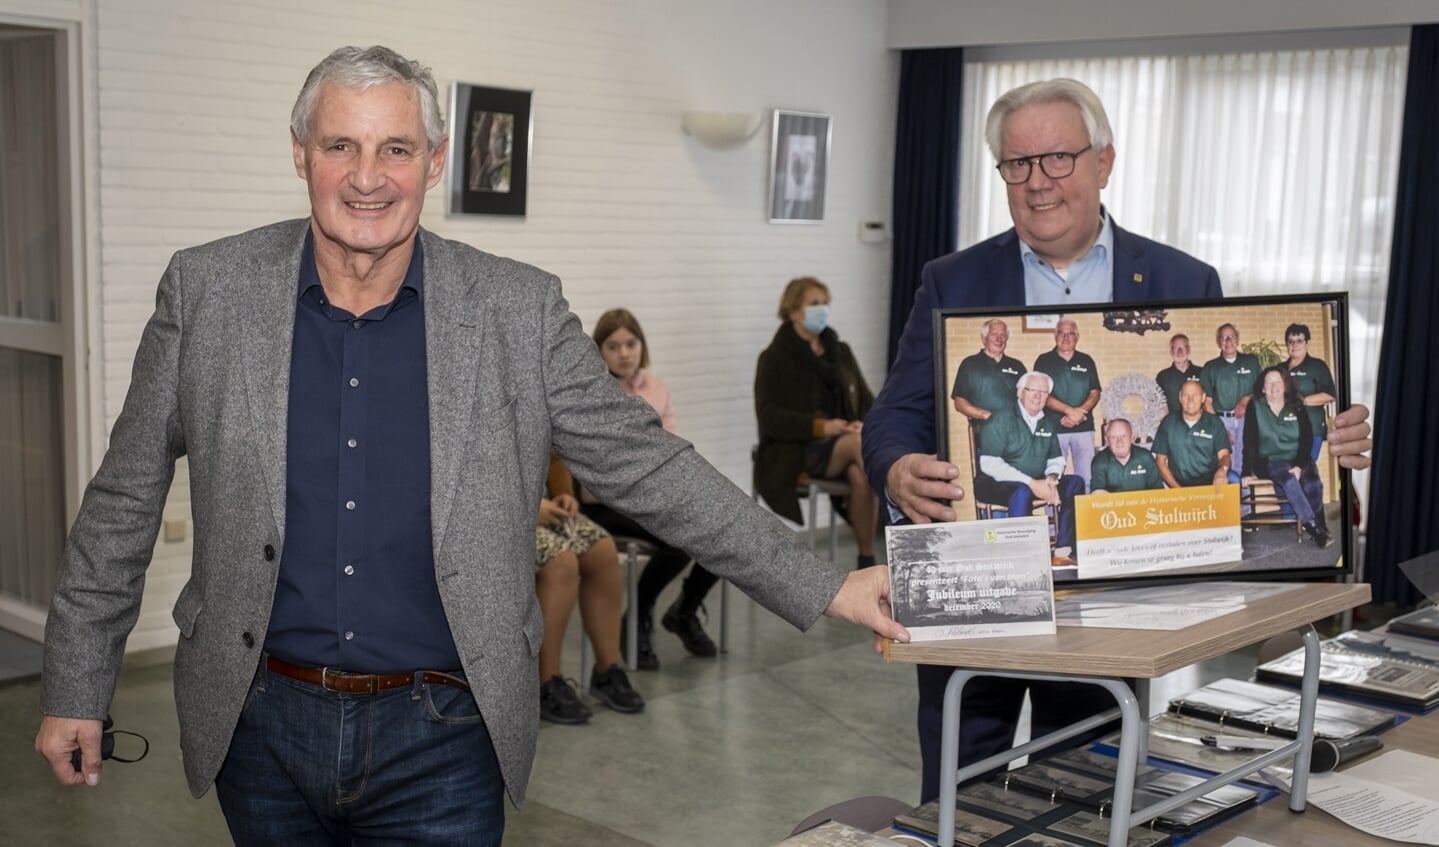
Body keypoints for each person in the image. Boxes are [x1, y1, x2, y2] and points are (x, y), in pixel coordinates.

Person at [34, 45, 907, 844]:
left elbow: (648, 465)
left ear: (436, 162)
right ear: (299, 153)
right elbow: (125, 493)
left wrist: (824, 581)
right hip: (255, 722)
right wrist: (78, 683)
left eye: (396, 149)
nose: (367, 177)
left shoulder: (516, 310)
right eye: (341, 146)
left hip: (443, 732)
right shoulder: (208, 290)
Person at [859, 77, 1372, 804]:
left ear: (1104, 162)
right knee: (958, 783)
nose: (1037, 183)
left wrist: (1329, 435)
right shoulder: (951, 279)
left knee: (1087, 780)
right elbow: (894, 415)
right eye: (1017, 164)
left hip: (1121, 583)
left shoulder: (1181, 278)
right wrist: (896, 465)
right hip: (977, 575)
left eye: (1058, 159)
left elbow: (1241, 406)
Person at [580, 308, 720, 668]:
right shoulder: (590, 393)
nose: (624, 353)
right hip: (603, 502)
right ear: (599, 351)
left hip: (652, 494)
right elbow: (602, 465)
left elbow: (670, 446)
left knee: (718, 528)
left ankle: (684, 612)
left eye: (631, 343)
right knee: (677, 541)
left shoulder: (657, 387)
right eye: (613, 346)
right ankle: (637, 619)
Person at [755, 276, 880, 569]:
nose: (822, 309)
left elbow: (866, 401)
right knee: (859, 447)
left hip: (847, 442)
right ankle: (901, 524)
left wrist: (860, 422)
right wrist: (824, 427)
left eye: (825, 303)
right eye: (814, 304)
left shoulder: (841, 352)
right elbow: (770, 417)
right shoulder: (773, 358)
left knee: (860, 475)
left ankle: (867, 560)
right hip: (796, 450)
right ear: (793, 311)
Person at [534, 454, 644, 724]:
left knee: (603, 549)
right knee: (561, 561)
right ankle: (545, 682)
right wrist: (531, 508)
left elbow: (553, 456)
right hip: (497, 515)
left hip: (544, 506)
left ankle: (608, 669)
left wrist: (563, 493)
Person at [974, 371, 1085, 555]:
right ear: (1020, 392)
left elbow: (1055, 458)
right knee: (1022, 491)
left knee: (1075, 483)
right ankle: (1021, 555)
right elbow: (989, 464)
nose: (1038, 396)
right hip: (993, 483)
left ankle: (1063, 550)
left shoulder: (1047, 423)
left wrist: (1051, 477)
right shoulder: (1000, 419)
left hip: (1036, 481)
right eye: (1032, 390)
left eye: (1043, 392)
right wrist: (1032, 484)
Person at [1242, 366, 1333, 548]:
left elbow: (1306, 438)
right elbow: (1249, 440)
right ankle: (1314, 528)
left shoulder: (1296, 404)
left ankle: (1320, 523)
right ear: (1262, 388)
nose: (1274, 387)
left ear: (1285, 385)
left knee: (1312, 483)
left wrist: (1299, 465)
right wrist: (1246, 471)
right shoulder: (1255, 406)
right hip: (1270, 460)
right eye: (1269, 383)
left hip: (1297, 456)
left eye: (1278, 382)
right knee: (1290, 481)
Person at [1033, 317, 1101, 490]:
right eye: (1061, 333)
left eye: (1070, 333)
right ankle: (1052, 517)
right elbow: (1041, 394)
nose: (1066, 337)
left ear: (1076, 337)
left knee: (1087, 478)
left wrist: (1079, 414)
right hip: (1054, 428)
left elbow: (1095, 392)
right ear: (1055, 336)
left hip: (1084, 428)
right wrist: (1070, 411)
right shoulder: (1043, 360)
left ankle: (1085, 516)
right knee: (1052, 478)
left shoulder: (1086, 360)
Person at [1199, 323, 1261, 467]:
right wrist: (1221, 429)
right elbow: (1207, 402)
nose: (1228, 341)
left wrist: (1246, 400)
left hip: (1246, 419)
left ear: (1237, 339)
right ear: (1218, 343)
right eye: (1223, 338)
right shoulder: (1210, 367)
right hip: (1222, 420)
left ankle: (1244, 490)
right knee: (1224, 461)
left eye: (1231, 337)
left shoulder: (1251, 361)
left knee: (1246, 460)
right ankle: (1227, 490)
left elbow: (1261, 389)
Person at [1153, 381, 1235, 489]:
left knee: (1234, 482)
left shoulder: (1215, 423)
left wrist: (1222, 470)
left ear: (1203, 397)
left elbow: (1224, 455)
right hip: (1176, 487)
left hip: (1211, 486)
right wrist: (1179, 491)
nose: (1190, 400)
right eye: (1186, 395)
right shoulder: (1168, 423)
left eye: (1195, 395)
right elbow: (1160, 462)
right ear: (1180, 398)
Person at [951, 318, 1025, 426]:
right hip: (984, 428)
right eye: (994, 334)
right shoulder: (969, 364)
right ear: (984, 338)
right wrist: (984, 415)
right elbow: (959, 402)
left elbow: (1027, 397)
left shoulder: (1017, 365)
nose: (999, 339)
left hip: (1015, 428)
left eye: (1003, 335)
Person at [1280, 323, 1337, 461]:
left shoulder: (1317, 366)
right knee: (1284, 472)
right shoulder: (1279, 368)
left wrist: (1303, 401)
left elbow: (1330, 395)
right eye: (1291, 341)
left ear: (1307, 343)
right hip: (1285, 431)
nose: (1295, 345)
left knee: (1305, 470)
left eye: (1299, 341)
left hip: (1311, 429)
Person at [1089, 418, 1162, 493]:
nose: (1119, 442)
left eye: (1124, 436)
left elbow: (1158, 492)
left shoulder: (1145, 457)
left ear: (1131, 438)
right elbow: (1097, 494)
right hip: (1113, 504)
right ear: (1107, 440)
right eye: (1113, 437)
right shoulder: (1099, 461)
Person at [1156, 333, 1203, 417]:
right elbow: (1160, 404)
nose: (1180, 352)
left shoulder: (1201, 372)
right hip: (1173, 423)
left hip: (1197, 421)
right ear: (1171, 351)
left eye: (1183, 348)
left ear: (1188, 350)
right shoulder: (1162, 376)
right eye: (1176, 348)